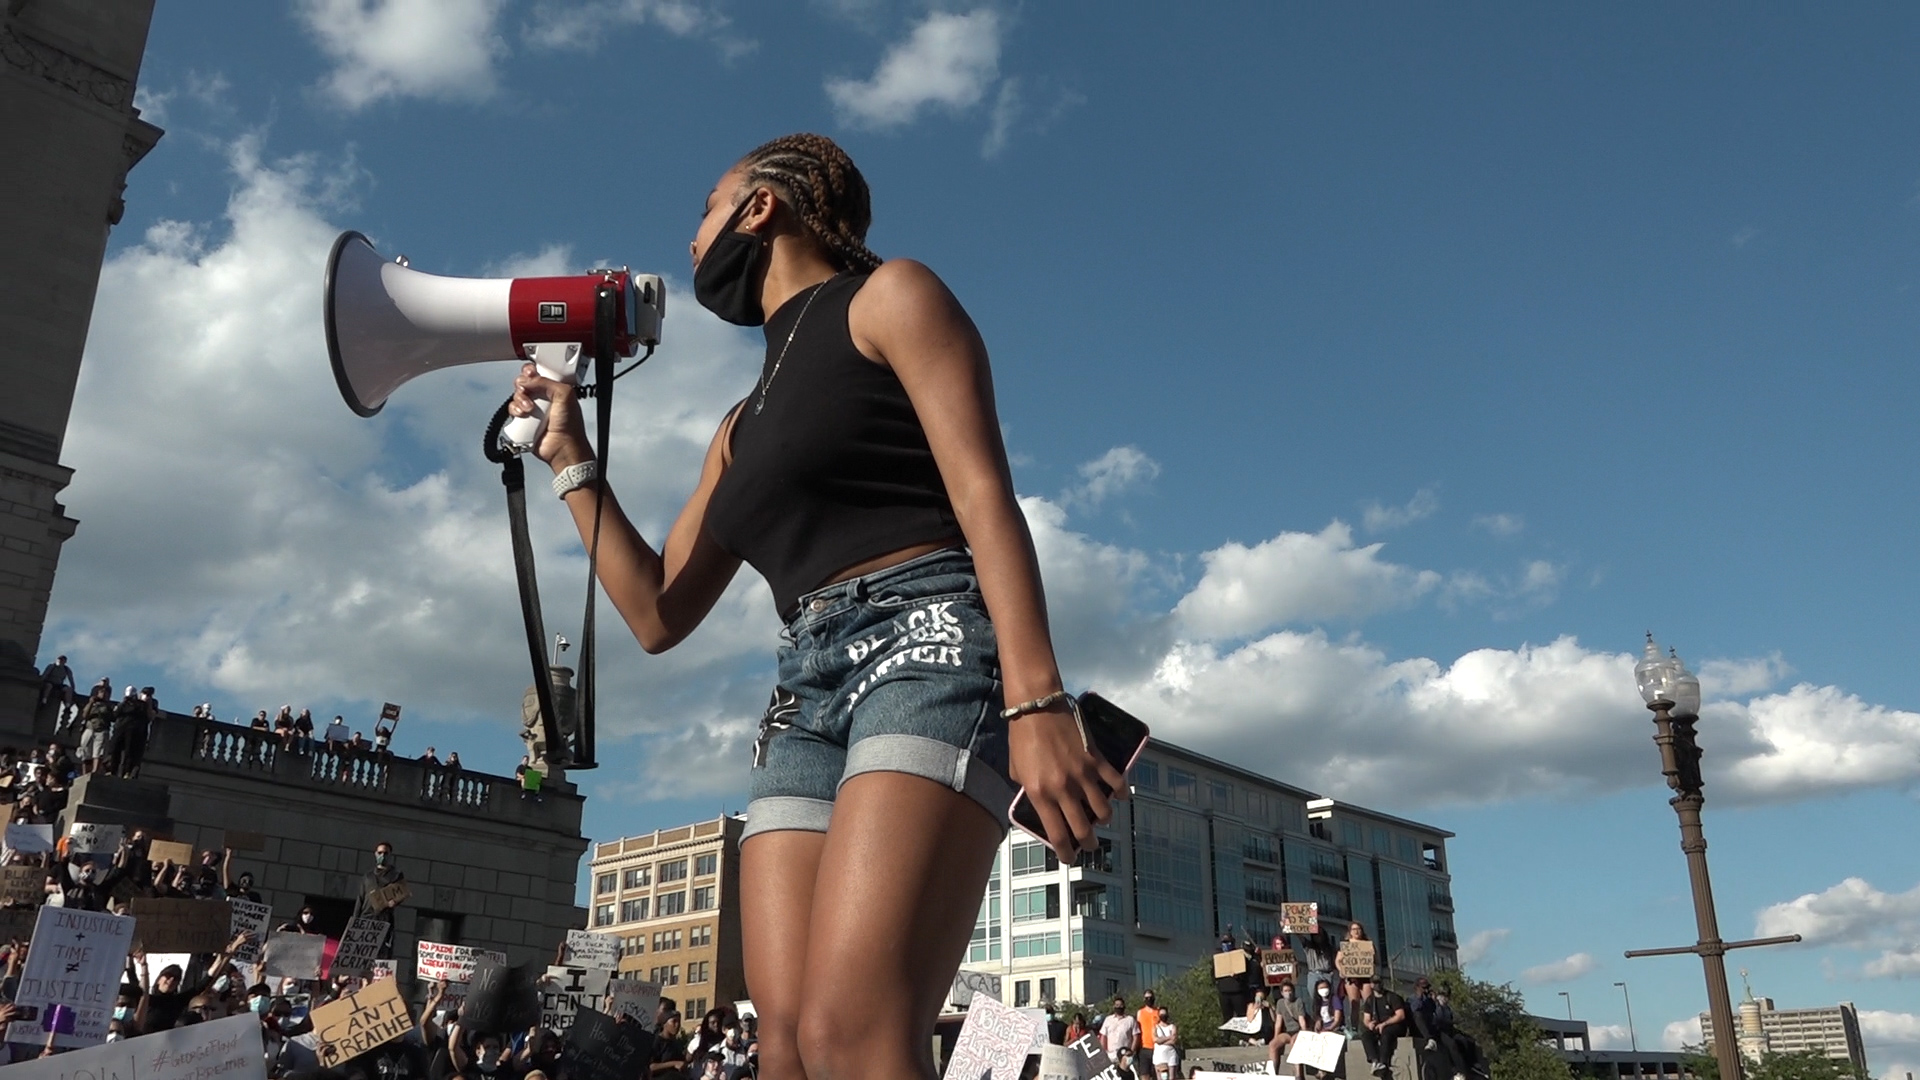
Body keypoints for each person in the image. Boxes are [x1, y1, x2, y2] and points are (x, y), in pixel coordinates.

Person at [505, 132, 1120, 1080]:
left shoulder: (892, 298)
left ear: (763, 208)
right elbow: (657, 611)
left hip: (925, 637)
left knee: (855, 1031)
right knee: (786, 1046)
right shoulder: (737, 427)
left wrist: (1037, 701)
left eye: (706, 207)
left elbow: (984, 496)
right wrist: (568, 458)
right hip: (804, 688)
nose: (693, 233)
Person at [1357, 980, 1408, 1078]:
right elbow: (1366, 1018)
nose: (1377, 985)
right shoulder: (1370, 1000)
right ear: (1371, 985)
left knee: (1386, 1033)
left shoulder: (1392, 997)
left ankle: (1383, 1062)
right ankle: (1375, 1061)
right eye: (1375, 983)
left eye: (1379, 982)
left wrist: (1384, 1024)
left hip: (1395, 1025)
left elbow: (1401, 1015)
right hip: (1378, 1026)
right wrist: (1369, 1024)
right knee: (1366, 1035)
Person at [1268, 979, 1307, 1077]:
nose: (1288, 993)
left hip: (1297, 1030)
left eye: (1289, 990)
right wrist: (1275, 1037)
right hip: (1287, 1031)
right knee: (1272, 1045)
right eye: (1285, 991)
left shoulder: (1298, 1001)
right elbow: (1278, 1022)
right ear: (1281, 993)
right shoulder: (1280, 1003)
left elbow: (1301, 1019)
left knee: (1294, 1043)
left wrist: (1305, 1033)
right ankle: (1272, 1073)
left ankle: (1298, 1075)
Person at [77, 684, 115, 774]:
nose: (104, 694)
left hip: (102, 729)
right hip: (90, 728)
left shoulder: (109, 706)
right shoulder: (93, 703)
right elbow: (85, 715)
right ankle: (85, 771)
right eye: (102, 692)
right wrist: (91, 703)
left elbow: (113, 718)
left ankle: (95, 771)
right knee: (86, 751)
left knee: (98, 752)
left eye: (106, 693)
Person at [38, 654, 76, 726]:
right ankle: (44, 700)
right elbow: (45, 674)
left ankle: (67, 706)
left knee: (68, 689)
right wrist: (40, 682)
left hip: (59, 684)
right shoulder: (52, 666)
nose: (61, 661)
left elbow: (71, 679)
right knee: (48, 686)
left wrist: (73, 689)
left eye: (62, 660)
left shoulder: (66, 669)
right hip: (50, 682)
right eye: (60, 659)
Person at [1152, 1006, 1180, 1080]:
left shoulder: (1172, 1026)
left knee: (1172, 1077)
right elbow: (1155, 1039)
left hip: (1171, 1054)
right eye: (1161, 1014)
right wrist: (1168, 1037)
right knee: (1161, 1077)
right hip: (1160, 1055)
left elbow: (1173, 1040)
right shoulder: (1155, 1027)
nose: (1163, 1016)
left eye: (1164, 1014)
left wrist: (1161, 1041)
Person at [1137, 989, 1160, 1059]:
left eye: (1150, 998)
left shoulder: (1158, 1012)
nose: (1149, 1000)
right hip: (1144, 1046)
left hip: (1157, 1046)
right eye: (1147, 998)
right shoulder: (1140, 1012)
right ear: (1144, 999)